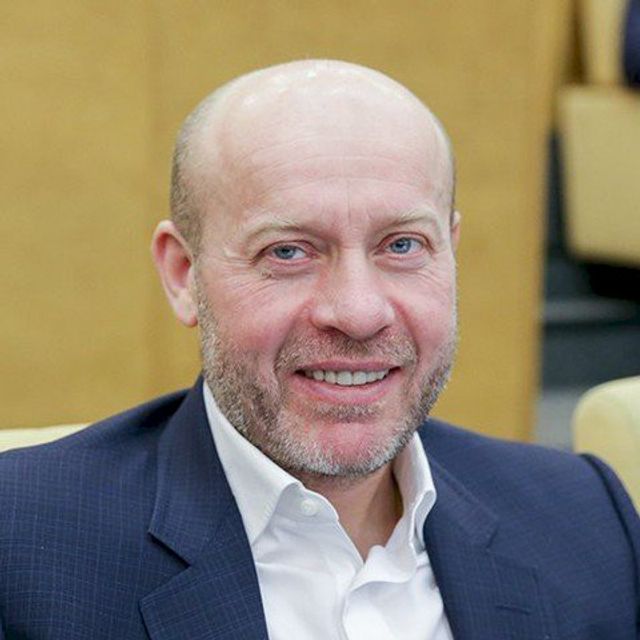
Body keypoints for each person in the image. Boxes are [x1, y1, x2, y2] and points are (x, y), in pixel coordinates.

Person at [0, 60, 638, 640]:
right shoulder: (23, 547)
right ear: (183, 274)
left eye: (402, 245)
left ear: (450, 250)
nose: (359, 313)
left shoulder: (583, 518)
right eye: (288, 252)